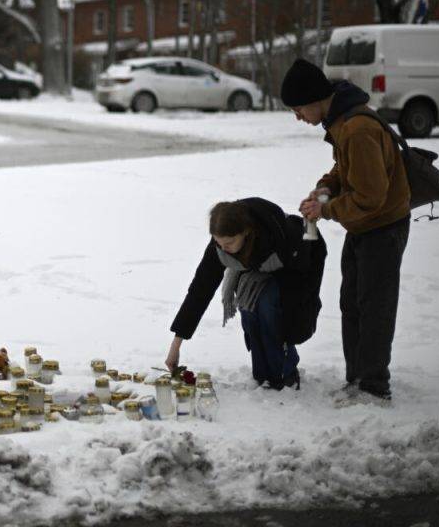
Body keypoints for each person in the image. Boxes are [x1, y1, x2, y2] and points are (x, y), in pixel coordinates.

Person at [281, 58, 410, 405]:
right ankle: (358, 379)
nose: (298, 117)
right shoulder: (341, 120)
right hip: (365, 226)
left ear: (313, 100)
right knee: (352, 302)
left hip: (382, 227)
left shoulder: (356, 128)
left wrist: (326, 209)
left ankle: (373, 386)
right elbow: (344, 169)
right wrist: (325, 188)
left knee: (374, 307)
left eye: (297, 109)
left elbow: (370, 196)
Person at [166, 198, 326, 390]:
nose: (223, 248)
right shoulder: (222, 245)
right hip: (256, 266)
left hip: (298, 262)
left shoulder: (281, 235)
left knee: (269, 307)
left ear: (246, 232)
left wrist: (293, 328)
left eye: (229, 243)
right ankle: (262, 375)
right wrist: (176, 346)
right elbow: (200, 290)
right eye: (218, 242)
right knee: (248, 306)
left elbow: (302, 282)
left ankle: (284, 372)